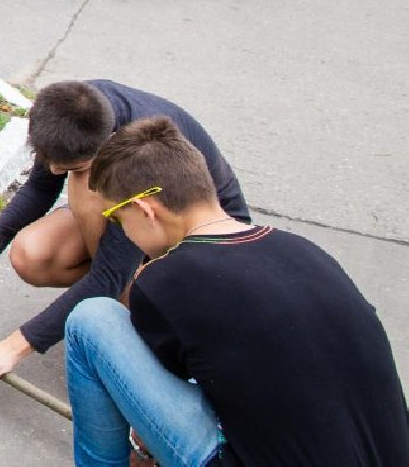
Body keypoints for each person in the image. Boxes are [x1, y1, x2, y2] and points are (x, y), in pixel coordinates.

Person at [66, 117, 409, 466]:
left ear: (145, 210)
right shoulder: (302, 250)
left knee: (92, 319)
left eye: (118, 220)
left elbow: (162, 389)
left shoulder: (165, 281)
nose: (124, 234)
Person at [0, 80, 248, 384]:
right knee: (33, 254)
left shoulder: (138, 154)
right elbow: (41, 186)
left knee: (87, 188)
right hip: (145, 224)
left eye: (70, 165)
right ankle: (125, 289)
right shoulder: (71, 113)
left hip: (204, 243)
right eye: (50, 162)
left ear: (107, 139)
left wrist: (12, 347)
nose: (55, 171)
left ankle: (137, 315)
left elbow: (108, 277)